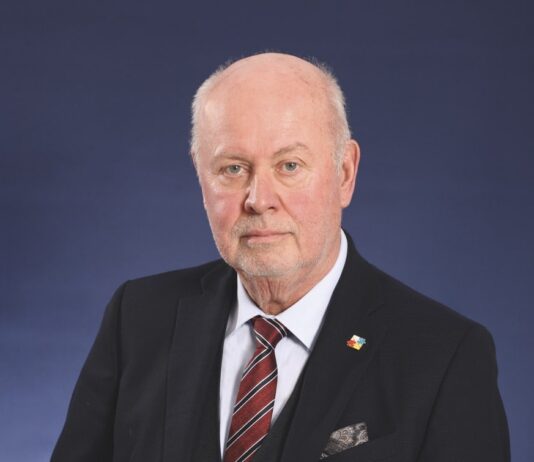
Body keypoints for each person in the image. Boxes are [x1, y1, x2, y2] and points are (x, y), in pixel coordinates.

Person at [51, 53, 510, 462]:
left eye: (289, 166)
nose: (259, 199)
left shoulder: (443, 356)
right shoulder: (138, 319)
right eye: (233, 168)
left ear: (344, 173)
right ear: (200, 176)